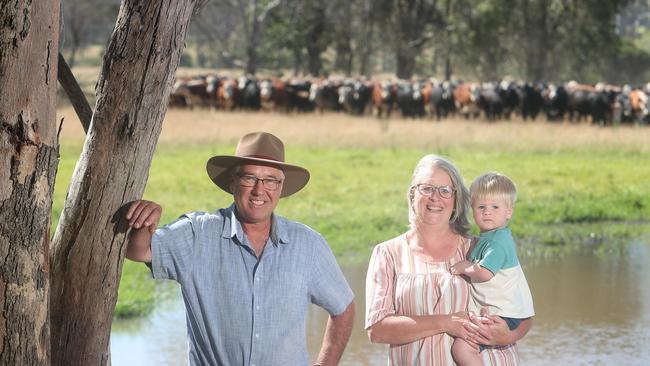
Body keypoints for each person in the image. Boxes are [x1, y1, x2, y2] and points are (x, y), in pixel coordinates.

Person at [125, 131, 355, 366]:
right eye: (249, 178)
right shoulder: (198, 234)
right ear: (233, 182)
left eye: (270, 180)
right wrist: (144, 221)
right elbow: (138, 251)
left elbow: (344, 307)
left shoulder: (308, 244)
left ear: (281, 187)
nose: (259, 190)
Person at [365, 155, 531, 365]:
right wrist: (446, 323)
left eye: (445, 190)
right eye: (427, 188)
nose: (436, 197)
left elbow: (524, 313)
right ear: (412, 194)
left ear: (456, 200)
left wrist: (510, 336)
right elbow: (377, 331)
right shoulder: (387, 254)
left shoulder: (483, 248)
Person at [450, 172, 534, 366]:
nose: (487, 212)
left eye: (495, 207)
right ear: (473, 210)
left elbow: (485, 273)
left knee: (462, 348)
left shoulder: (498, 242)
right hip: (503, 311)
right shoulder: (490, 237)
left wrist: (466, 267)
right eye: (481, 207)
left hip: (503, 313)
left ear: (509, 212)